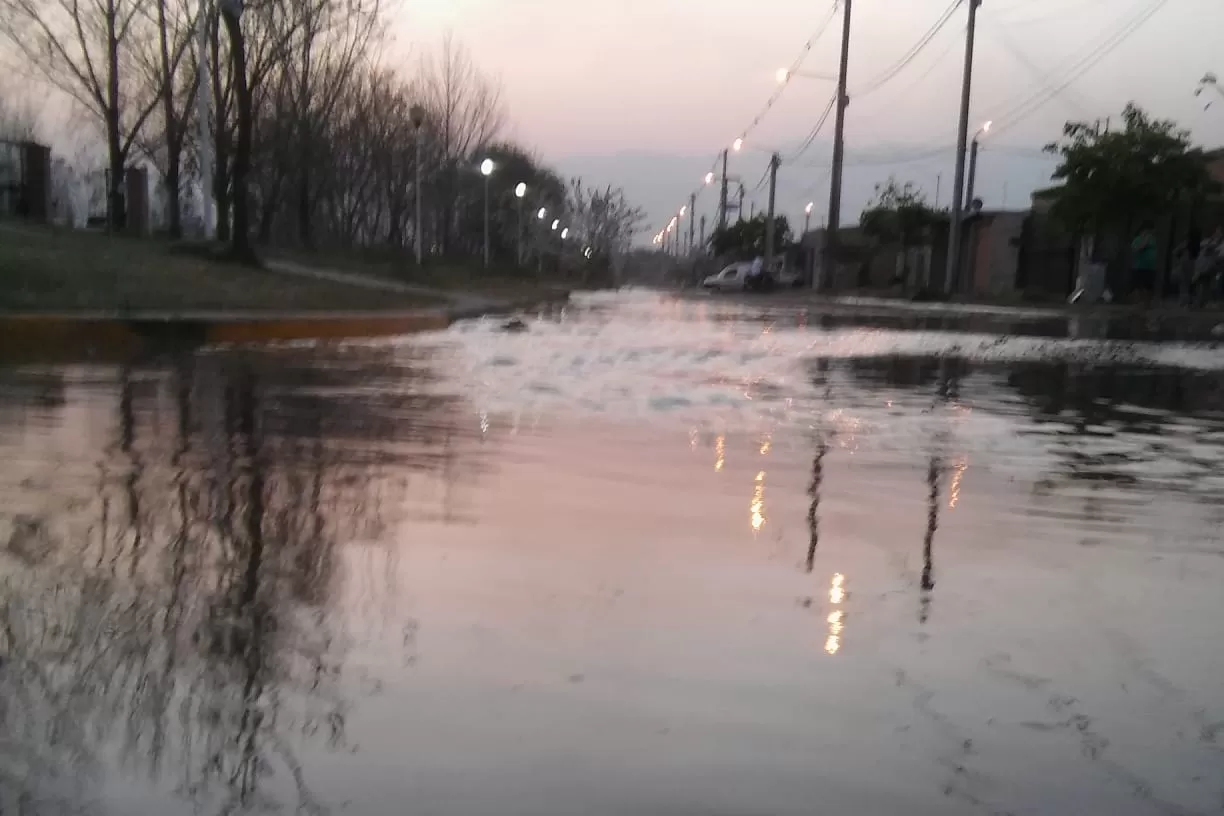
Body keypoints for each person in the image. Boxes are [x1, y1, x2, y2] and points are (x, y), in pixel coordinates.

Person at [1130, 224, 1158, 306]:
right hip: (1140, 266)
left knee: (1149, 286)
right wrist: (1145, 241)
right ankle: (1139, 302)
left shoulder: (1153, 239)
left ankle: (1147, 303)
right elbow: (1136, 249)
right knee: (1138, 285)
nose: (1150, 233)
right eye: (1148, 231)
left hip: (1150, 267)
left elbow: (1155, 251)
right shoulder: (1137, 240)